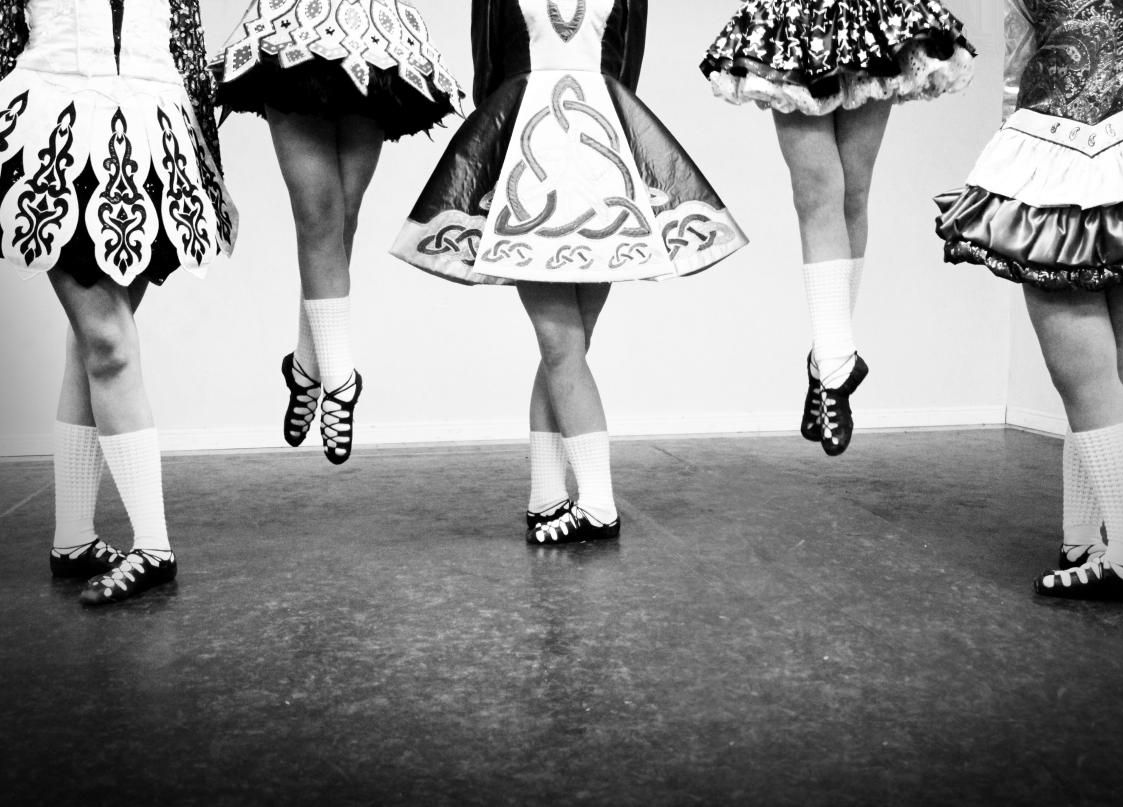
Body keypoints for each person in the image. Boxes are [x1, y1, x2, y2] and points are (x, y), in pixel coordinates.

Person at [392, 0, 748, 544]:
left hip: (603, 158)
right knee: (561, 346)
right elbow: (487, 72)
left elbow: (624, 69)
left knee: (567, 349)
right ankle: (600, 505)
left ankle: (545, 498)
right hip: (525, 160)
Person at [936, 0, 1123, 604]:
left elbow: (1019, 57)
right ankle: (1084, 540)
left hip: (1056, 146)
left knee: (1084, 380)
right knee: (1114, 375)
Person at [0, 0, 238, 604]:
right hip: (53, 140)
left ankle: (73, 539)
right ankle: (154, 548)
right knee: (108, 343)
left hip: (156, 142)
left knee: (95, 345)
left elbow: (187, 54)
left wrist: (214, 173)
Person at [701, 1, 975, 454]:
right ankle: (835, 364)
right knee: (816, 192)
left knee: (853, 192)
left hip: (869, 12)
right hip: (793, 18)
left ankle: (826, 357)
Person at [210, 0, 463, 463]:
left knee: (344, 214)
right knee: (319, 212)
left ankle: (306, 365)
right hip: (294, 27)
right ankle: (341, 379)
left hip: (373, 32)